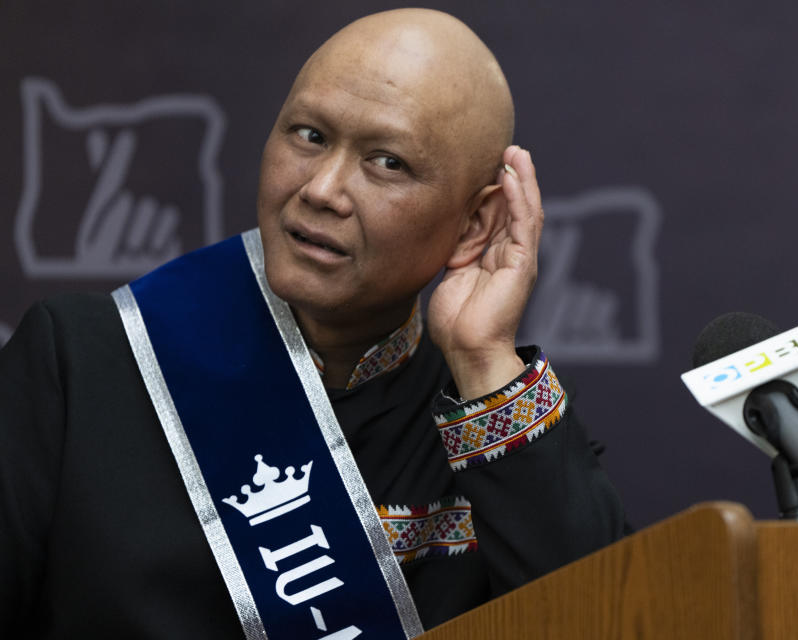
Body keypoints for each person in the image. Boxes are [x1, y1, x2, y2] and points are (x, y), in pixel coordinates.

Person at [0, 8, 625, 638]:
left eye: (387, 162)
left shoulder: (488, 418)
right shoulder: (82, 362)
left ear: (474, 225)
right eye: (309, 135)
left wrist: (484, 356)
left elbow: (608, 621)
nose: (322, 188)